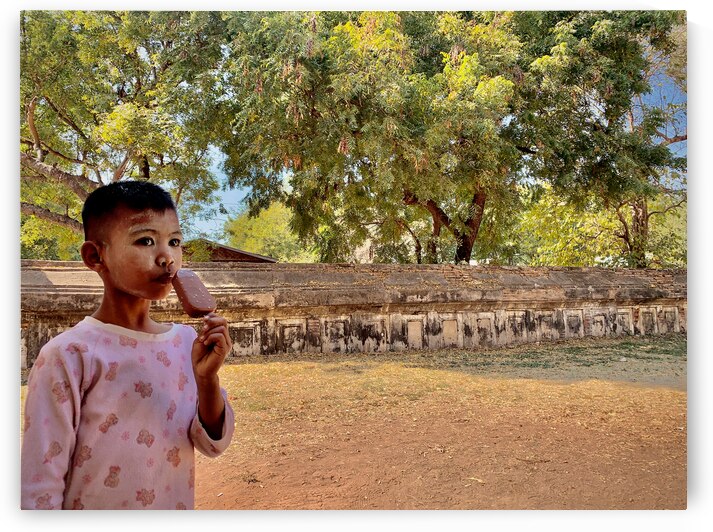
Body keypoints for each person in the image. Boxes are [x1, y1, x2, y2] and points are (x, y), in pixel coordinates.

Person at [21, 180, 235, 510]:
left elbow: (211, 444)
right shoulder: (69, 355)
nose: (167, 257)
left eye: (175, 241)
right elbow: (39, 485)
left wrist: (207, 381)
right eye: (146, 240)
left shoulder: (185, 343)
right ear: (95, 256)